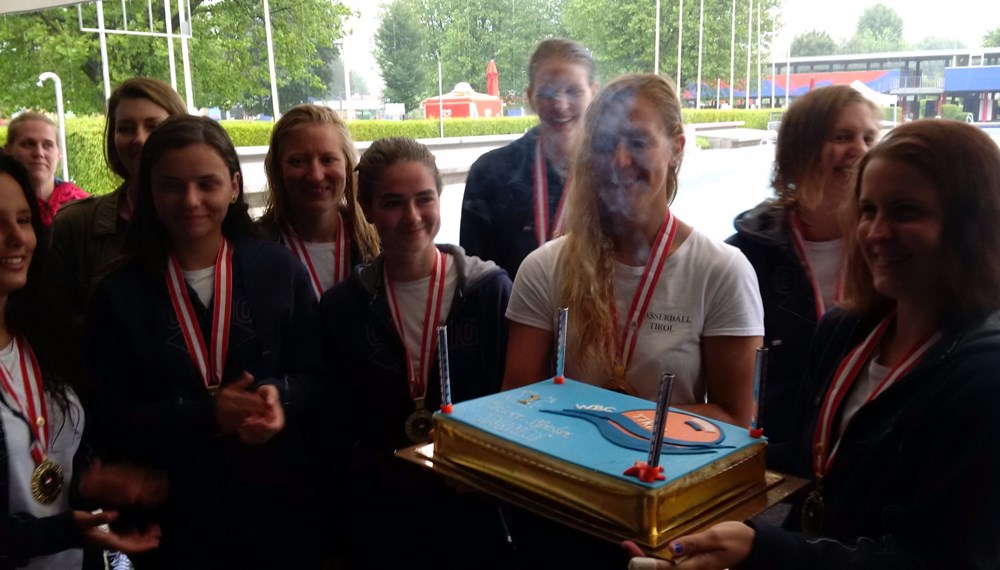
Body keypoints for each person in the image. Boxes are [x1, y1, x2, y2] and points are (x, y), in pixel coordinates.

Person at [628, 120, 1000, 569]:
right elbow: (813, 463)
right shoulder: (845, 332)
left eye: (905, 212)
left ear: (972, 222)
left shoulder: (984, 379)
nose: (876, 232)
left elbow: (934, 559)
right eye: (868, 210)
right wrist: (676, 479)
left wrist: (761, 551)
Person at [87, 116, 326, 569]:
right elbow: (109, 412)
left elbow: (316, 375)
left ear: (233, 186)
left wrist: (279, 399)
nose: (191, 200)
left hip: (278, 513)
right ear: (148, 191)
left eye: (207, 184)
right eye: (171, 186)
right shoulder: (118, 292)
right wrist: (207, 414)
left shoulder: (278, 270)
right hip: (176, 520)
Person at [504, 74, 763, 427]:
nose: (621, 161)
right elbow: (517, 404)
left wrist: (621, 421)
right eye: (605, 145)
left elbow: (735, 418)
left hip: (669, 462)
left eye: (638, 143)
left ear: (676, 149)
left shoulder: (721, 272)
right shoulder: (544, 268)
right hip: (563, 462)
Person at [320, 137, 513, 568]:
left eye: (424, 199)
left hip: (471, 505)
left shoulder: (489, 292)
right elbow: (335, 420)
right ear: (367, 209)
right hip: (380, 514)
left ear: (440, 198)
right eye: (392, 203)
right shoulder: (342, 307)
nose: (411, 217)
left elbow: (515, 399)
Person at [0, 154, 161, 569]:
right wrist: (62, 531)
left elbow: (61, 448)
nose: (17, 238)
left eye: (23, 220)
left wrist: (92, 480)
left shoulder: (42, 336)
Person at [726, 86, 881, 469]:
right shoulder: (745, 255)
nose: (860, 150)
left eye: (869, 137)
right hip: (769, 458)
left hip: (861, 459)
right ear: (798, 151)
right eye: (842, 136)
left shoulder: (890, 250)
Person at [47, 78, 187, 336]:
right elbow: (53, 329)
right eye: (126, 128)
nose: (140, 139)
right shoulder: (74, 226)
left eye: (153, 126)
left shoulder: (212, 220)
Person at [461, 38, 598, 278]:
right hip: (512, 303)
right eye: (547, 93)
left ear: (594, 94)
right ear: (530, 97)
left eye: (573, 91)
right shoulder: (489, 174)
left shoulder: (613, 173)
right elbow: (476, 281)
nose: (560, 104)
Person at [257, 103, 380, 298]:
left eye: (328, 159)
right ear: (277, 170)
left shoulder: (381, 243)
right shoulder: (253, 250)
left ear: (347, 165)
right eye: (298, 161)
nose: (315, 175)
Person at [3, 112, 89, 230]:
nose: (39, 153)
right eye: (28, 144)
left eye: (47, 145)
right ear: (8, 151)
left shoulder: (83, 207)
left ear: (58, 154)